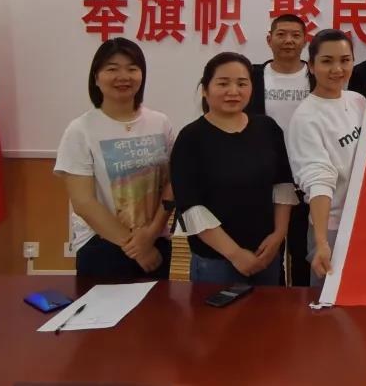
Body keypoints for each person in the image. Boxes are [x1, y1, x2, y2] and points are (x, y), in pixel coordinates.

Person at [171, 52, 298, 286]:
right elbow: (191, 207)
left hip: (267, 254)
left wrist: (278, 235)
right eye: (223, 83)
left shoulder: (267, 128)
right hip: (216, 262)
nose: (233, 91)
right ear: (205, 90)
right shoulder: (191, 138)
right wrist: (235, 254)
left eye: (242, 83)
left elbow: (283, 185)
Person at [54, 38, 174, 280]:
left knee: (156, 305)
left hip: (155, 241)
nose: (123, 76)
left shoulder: (160, 123)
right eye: (112, 69)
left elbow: (172, 184)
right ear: (96, 78)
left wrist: (150, 235)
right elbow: (83, 202)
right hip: (102, 245)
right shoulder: (81, 129)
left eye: (132, 68)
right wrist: (136, 248)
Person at [286, 29, 366, 285]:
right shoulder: (306, 118)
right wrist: (321, 243)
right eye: (327, 61)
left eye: (345, 60)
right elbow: (318, 181)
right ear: (311, 66)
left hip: (365, 222)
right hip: (332, 228)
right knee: (328, 300)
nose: (337, 69)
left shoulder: (358, 101)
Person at [245, 13, 311, 286]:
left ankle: (303, 305)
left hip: (307, 175)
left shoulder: (316, 75)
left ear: (305, 40)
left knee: (304, 252)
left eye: (296, 35)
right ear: (269, 39)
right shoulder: (252, 76)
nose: (288, 40)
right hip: (264, 177)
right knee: (268, 251)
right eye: (281, 34)